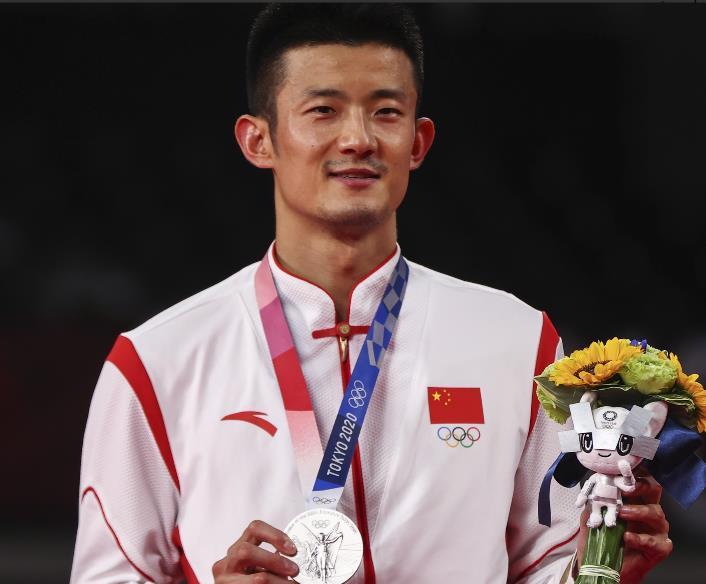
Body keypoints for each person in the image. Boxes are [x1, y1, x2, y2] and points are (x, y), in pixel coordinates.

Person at [70, 4, 672, 583]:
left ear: (418, 142)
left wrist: (601, 571)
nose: (358, 139)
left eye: (386, 112)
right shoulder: (158, 361)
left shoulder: (517, 342)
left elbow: (547, 562)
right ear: (259, 141)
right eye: (323, 111)